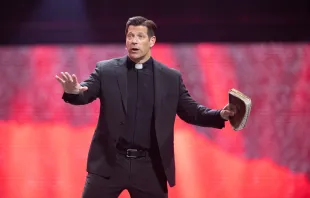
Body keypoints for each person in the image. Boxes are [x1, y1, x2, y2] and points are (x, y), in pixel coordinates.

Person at [55, 16, 236, 198]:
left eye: (140, 36)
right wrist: (73, 91)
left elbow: (192, 111)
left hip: (149, 166)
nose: (134, 41)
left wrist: (220, 114)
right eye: (130, 36)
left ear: (151, 41)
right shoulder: (106, 70)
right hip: (110, 162)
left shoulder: (170, 78)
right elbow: (84, 92)